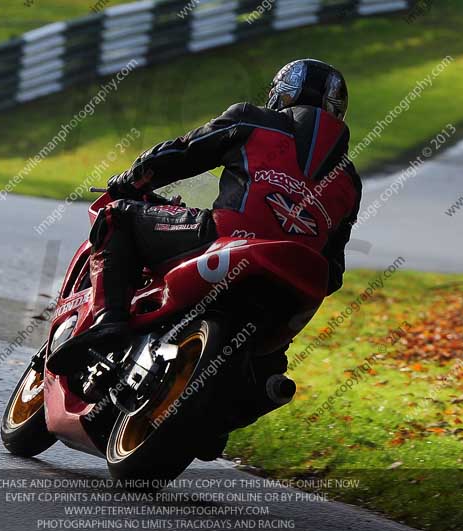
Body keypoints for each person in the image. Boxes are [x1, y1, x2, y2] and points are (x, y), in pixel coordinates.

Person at [47, 58, 362, 376]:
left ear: (283, 95)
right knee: (270, 368)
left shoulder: (251, 120)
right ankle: (256, 381)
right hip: (298, 284)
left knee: (118, 216)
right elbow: (333, 272)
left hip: (230, 237)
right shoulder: (350, 181)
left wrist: (131, 180)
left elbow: (181, 153)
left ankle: (109, 323)